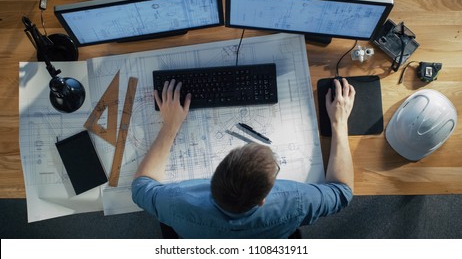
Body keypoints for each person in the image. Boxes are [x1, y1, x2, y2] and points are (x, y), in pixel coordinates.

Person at [132, 77, 355, 238]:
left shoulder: (176, 201)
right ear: (262, 200)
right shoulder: (295, 201)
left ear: (213, 178)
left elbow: (141, 187)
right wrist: (339, 122)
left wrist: (170, 126)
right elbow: (342, 192)